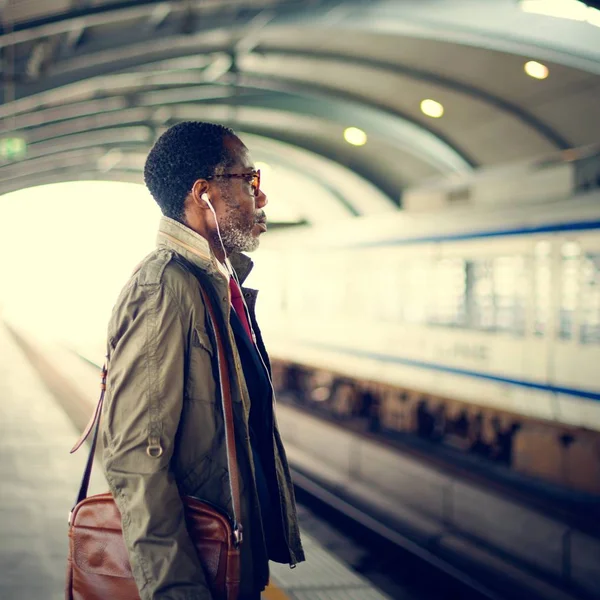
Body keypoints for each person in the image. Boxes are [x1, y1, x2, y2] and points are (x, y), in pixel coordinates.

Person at [100, 121, 305, 600]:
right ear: (204, 192)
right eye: (250, 181)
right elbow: (135, 459)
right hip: (199, 573)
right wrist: (178, 590)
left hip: (229, 556)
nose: (262, 198)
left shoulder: (213, 283)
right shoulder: (165, 290)